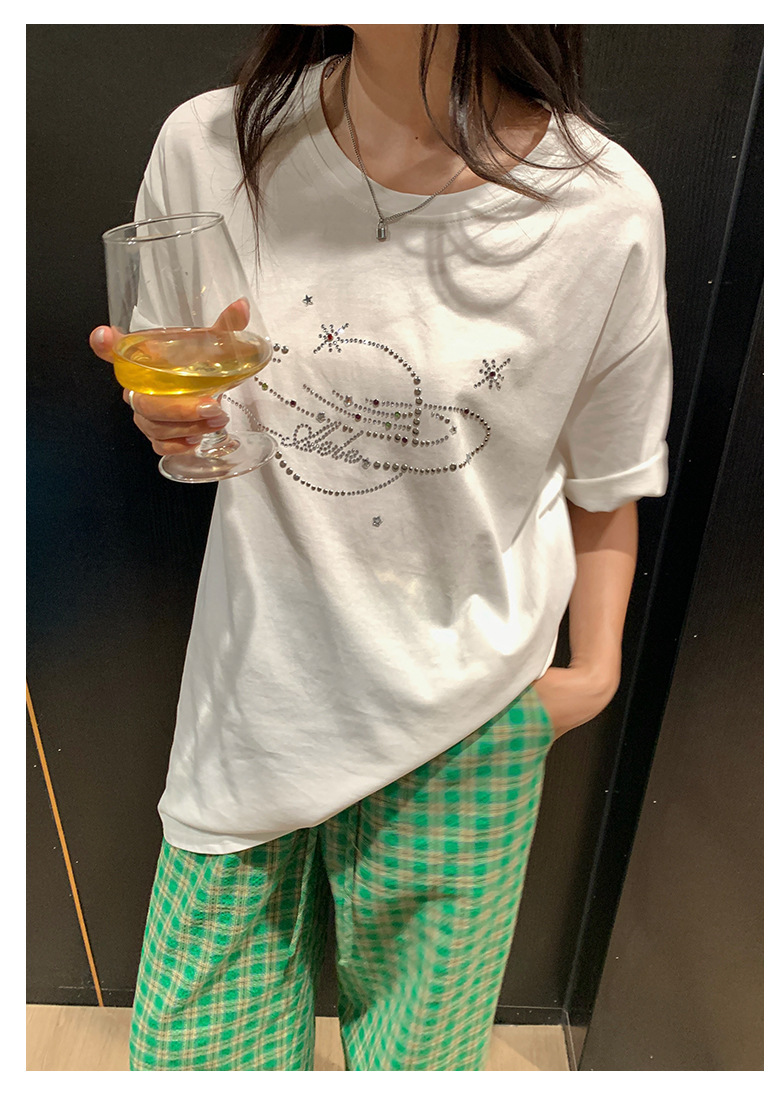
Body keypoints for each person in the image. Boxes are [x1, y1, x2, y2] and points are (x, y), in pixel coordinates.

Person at [90, 25, 672, 1071]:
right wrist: (165, 415)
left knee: (418, 1068)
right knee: (193, 1059)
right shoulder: (212, 147)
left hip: (468, 720)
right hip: (255, 700)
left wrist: (591, 674)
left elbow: (608, 471)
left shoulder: (599, 208)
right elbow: (182, 379)